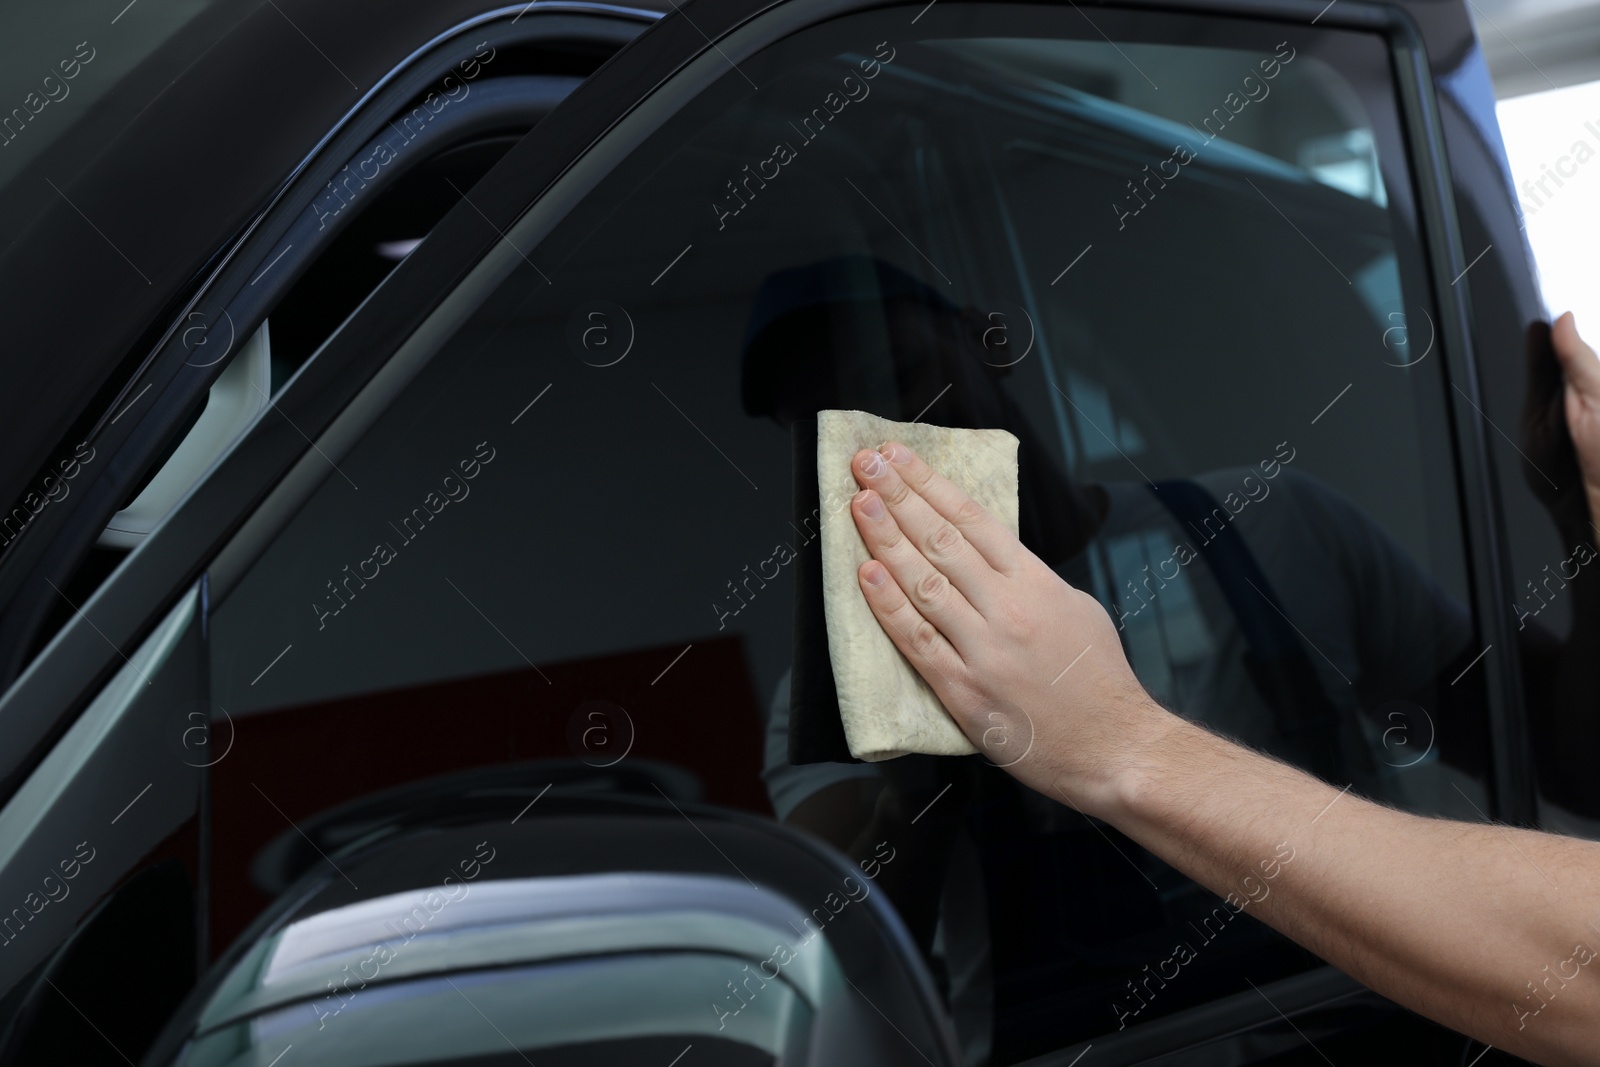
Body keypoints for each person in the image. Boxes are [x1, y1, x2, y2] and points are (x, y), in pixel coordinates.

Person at [842, 311, 1600, 1065]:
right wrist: (914, 797)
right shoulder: (847, 697)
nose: (895, 422)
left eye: (905, 373)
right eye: (840, 415)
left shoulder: (1279, 524)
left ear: (985, 351)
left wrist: (1119, 746)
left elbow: (1574, 772)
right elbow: (827, 964)